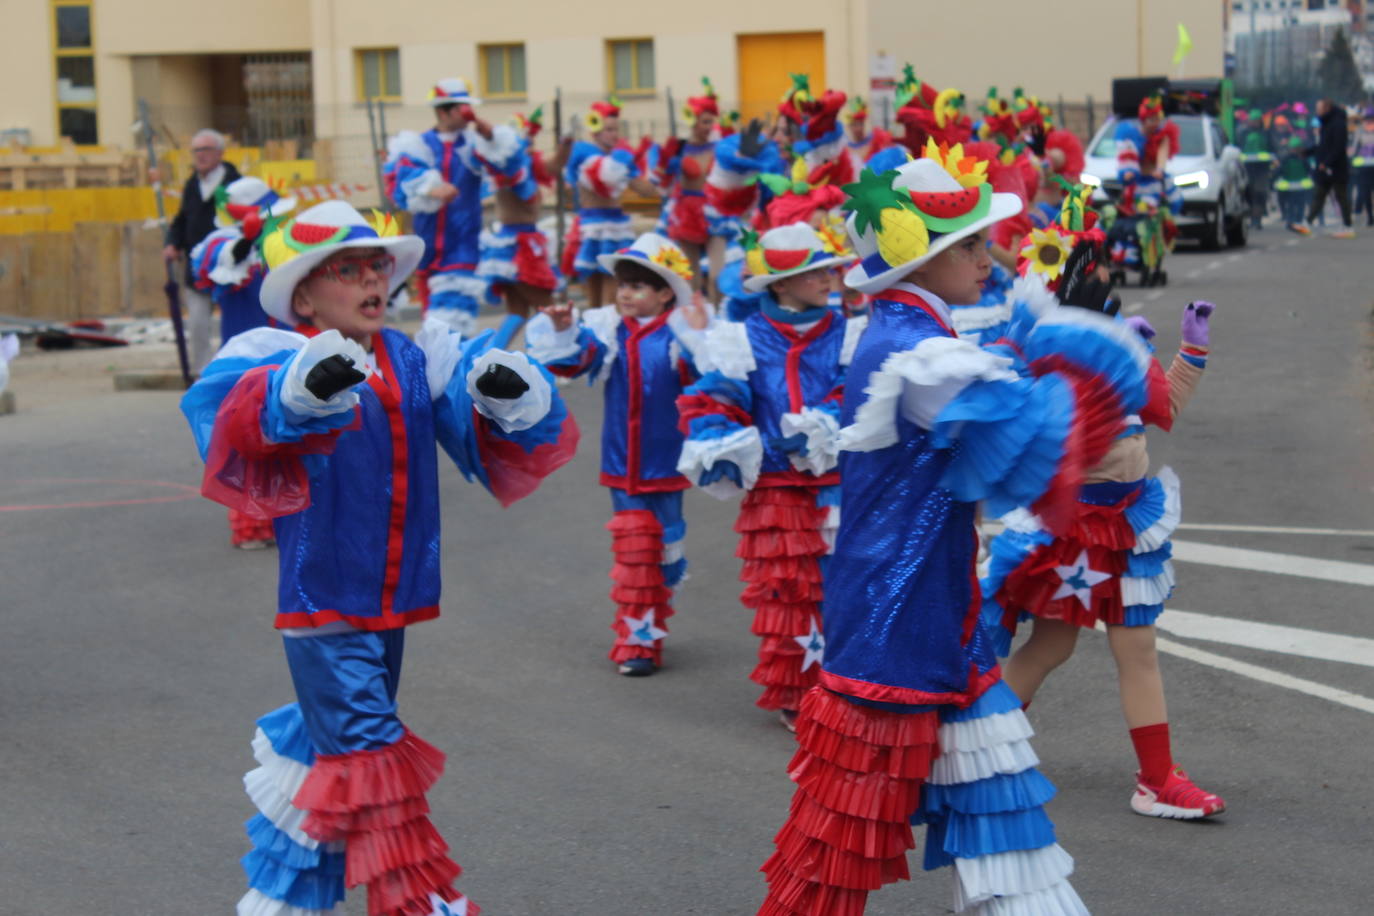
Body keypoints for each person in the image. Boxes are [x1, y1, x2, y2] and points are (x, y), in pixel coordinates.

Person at [756, 150, 1151, 916]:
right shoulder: (915, 354)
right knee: (838, 845)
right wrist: (1076, 346)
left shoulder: (916, 335)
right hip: (896, 627)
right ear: (920, 258)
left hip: (937, 617)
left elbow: (990, 380)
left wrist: (1044, 336)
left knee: (1004, 824)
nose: (986, 256)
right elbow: (1032, 439)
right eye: (967, 245)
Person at [179, 200, 579, 916]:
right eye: (348, 269)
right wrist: (303, 390)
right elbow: (243, 419)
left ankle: (285, 904)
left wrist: (502, 394)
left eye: (377, 268)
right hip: (323, 609)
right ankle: (421, 905)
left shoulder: (410, 358)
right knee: (375, 768)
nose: (372, 281)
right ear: (304, 294)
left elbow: (485, 441)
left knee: (330, 768)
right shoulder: (275, 357)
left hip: (390, 605)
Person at [676, 223, 859, 729]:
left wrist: (825, 422)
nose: (829, 277)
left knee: (841, 588)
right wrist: (719, 436)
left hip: (837, 485)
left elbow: (856, 390)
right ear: (780, 283)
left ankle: (840, 684)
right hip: (775, 489)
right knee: (787, 592)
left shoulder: (850, 330)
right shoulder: (741, 338)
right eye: (815, 271)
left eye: (829, 268)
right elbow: (718, 397)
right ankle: (797, 692)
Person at [527, 233, 710, 676]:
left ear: (665, 293)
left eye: (638, 286)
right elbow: (575, 361)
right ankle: (636, 644)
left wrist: (703, 340)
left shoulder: (679, 336)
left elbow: (709, 383)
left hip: (667, 466)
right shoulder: (610, 334)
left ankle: (654, 617)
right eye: (621, 285)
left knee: (666, 556)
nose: (625, 293)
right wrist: (562, 329)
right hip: (621, 466)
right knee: (633, 556)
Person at [188, 175, 298, 549]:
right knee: (252, 438)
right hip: (245, 358)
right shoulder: (221, 245)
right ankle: (251, 525)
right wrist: (247, 240)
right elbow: (220, 263)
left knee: (288, 435)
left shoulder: (282, 244)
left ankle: (286, 518)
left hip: (287, 350)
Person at [384, 76, 493, 335]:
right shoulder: (418, 145)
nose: (466, 113)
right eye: (460, 107)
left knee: (457, 316)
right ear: (443, 111)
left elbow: (504, 160)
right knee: (431, 322)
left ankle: (459, 370)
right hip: (428, 246)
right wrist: (430, 189)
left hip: (463, 245)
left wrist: (486, 132)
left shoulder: (474, 144)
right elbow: (400, 182)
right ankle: (438, 373)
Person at [561, 98, 663, 308]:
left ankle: (608, 337)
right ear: (595, 129)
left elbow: (642, 187)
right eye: (609, 129)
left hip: (615, 228)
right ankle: (594, 338)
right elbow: (568, 183)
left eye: (616, 129)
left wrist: (662, 180)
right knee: (593, 298)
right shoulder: (582, 154)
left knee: (613, 294)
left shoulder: (621, 159)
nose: (614, 134)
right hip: (591, 226)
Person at [474, 108, 571, 319]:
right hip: (519, 245)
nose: (529, 144)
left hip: (524, 240)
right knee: (548, 308)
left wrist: (567, 141)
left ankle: (500, 350)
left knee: (517, 313)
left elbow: (554, 165)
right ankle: (552, 349)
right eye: (524, 138)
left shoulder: (529, 166)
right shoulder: (506, 168)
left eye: (530, 138)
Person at [163, 128, 242, 374]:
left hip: (230, 265)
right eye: (196, 150)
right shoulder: (192, 185)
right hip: (197, 268)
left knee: (234, 324)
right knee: (197, 324)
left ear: (219, 153)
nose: (200, 155)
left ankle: (234, 372)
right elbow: (182, 220)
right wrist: (172, 243)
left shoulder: (236, 184)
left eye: (205, 149)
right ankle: (203, 375)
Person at [657, 78, 737, 299]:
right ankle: (693, 321)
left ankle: (719, 317)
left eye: (712, 122)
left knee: (717, 274)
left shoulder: (721, 146)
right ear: (692, 121)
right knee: (690, 275)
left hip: (715, 212)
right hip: (687, 211)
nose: (710, 127)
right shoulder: (680, 147)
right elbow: (662, 184)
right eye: (705, 122)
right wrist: (667, 163)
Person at [1289, 98, 1355, 238]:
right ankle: (1307, 224)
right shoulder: (1326, 124)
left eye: (1319, 108)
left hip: (1336, 168)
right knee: (1319, 196)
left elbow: (1338, 147)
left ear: (1327, 108)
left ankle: (1348, 227)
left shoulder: (1338, 124)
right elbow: (1322, 146)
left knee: (1341, 197)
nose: (1317, 111)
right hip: (1324, 168)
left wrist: (1327, 162)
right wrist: (1306, 152)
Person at [1274, 136, 1315, 227]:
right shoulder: (1295, 159)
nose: (1294, 150)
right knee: (1294, 204)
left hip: (1297, 187)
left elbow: (1279, 171)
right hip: (1294, 187)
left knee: (1298, 204)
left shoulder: (1288, 159)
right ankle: (1293, 219)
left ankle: (1295, 220)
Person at [1349, 107, 1374, 228]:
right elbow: (1354, 148)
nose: (1369, 121)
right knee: (1365, 192)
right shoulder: (1359, 131)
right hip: (1363, 167)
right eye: (1367, 119)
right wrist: (1352, 160)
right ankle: (1370, 217)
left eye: (1371, 119)